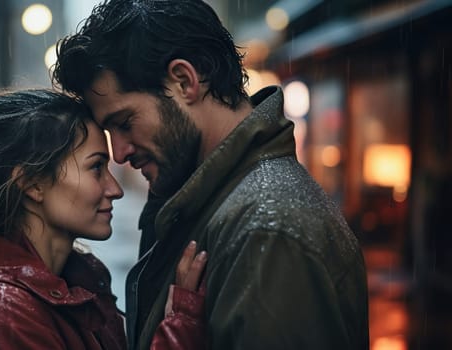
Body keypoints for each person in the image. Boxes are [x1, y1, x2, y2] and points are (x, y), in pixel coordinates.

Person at [52, 0, 370, 349]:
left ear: (185, 81)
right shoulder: (208, 202)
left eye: (125, 123)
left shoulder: (267, 230)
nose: (121, 153)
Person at [0, 89, 207, 349]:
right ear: (32, 183)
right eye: (96, 167)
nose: (115, 189)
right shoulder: (6, 310)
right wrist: (180, 328)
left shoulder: (75, 285)